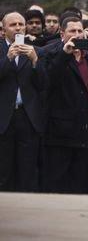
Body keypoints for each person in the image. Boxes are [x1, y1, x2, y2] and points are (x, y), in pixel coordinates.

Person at [43, 17, 88, 193]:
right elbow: (47, 82)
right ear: (62, 34)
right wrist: (64, 55)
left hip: (85, 130)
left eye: (79, 31)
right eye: (72, 31)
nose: (76, 35)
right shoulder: (51, 52)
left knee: (81, 184)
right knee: (57, 183)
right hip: (60, 133)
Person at [0, 11, 46, 192]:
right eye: (13, 25)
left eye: (21, 24)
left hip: (28, 117)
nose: (18, 28)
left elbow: (43, 84)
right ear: (3, 29)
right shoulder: (2, 50)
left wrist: (35, 61)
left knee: (27, 171)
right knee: (4, 171)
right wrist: (8, 59)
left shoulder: (35, 50)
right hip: (4, 118)